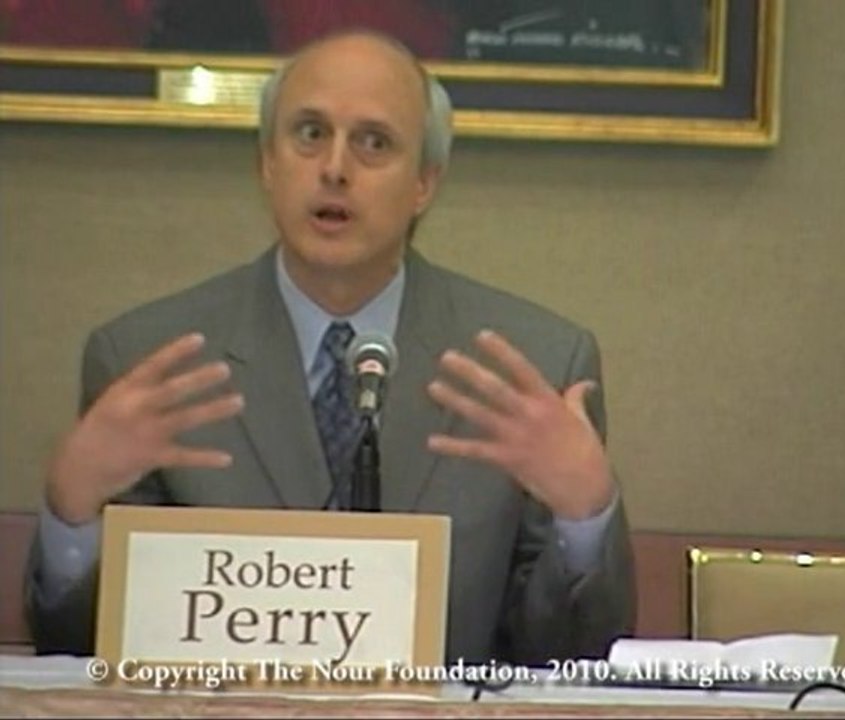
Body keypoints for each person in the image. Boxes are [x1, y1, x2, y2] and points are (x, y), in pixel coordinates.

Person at [24, 28, 637, 666]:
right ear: (267, 162)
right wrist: (72, 517)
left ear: (424, 183)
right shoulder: (148, 363)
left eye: (374, 143)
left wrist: (584, 517)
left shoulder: (536, 368)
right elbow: (79, 654)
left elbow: (569, 661)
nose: (335, 169)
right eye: (311, 134)